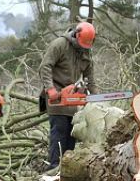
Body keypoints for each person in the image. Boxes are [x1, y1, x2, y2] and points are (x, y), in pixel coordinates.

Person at [39, 21, 97, 170]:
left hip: (71, 95)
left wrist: (95, 98)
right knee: (59, 133)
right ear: (76, 35)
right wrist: (50, 88)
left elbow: (90, 75)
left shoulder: (85, 51)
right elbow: (45, 66)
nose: (83, 47)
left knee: (72, 135)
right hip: (56, 95)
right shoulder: (60, 44)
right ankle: (53, 170)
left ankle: (67, 170)